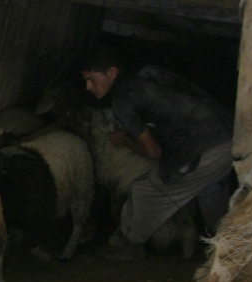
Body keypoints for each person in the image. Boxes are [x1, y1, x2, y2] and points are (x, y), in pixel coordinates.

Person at [81, 47, 234, 261]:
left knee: (146, 191)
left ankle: (130, 246)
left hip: (203, 147)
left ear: (112, 72)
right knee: (210, 188)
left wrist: (124, 140)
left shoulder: (123, 100)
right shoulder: (148, 73)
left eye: (92, 80)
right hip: (228, 135)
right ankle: (229, 248)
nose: (88, 87)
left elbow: (153, 152)